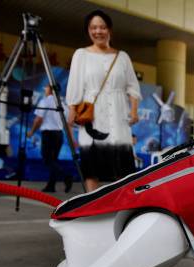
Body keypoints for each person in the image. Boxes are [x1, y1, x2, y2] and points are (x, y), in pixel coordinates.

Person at [66, 9, 141, 192]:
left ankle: (122, 207)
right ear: (88, 31)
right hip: (92, 116)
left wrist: (133, 111)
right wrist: (71, 115)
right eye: (93, 28)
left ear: (109, 30)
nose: (98, 31)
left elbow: (132, 86)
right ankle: (93, 206)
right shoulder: (81, 55)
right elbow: (75, 86)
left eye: (102, 27)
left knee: (122, 167)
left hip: (118, 114)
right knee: (92, 169)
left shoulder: (122, 57)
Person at [27, 85, 73, 193]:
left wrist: (31, 132)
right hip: (59, 134)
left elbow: (38, 120)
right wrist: (71, 139)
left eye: (46, 87)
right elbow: (68, 122)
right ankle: (51, 186)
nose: (44, 89)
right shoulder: (62, 104)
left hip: (48, 134)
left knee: (47, 159)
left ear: (51, 89)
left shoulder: (45, 101)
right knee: (53, 161)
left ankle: (66, 176)